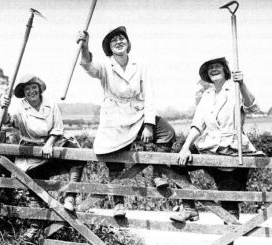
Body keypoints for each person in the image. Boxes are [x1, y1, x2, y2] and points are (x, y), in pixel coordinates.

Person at [77, 26, 176, 218]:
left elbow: (150, 95)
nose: (119, 42)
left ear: (128, 43)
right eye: (114, 40)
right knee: (114, 158)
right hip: (114, 119)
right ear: (109, 48)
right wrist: (84, 45)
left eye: (122, 38)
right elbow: (89, 66)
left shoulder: (140, 65)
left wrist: (149, 124)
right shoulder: (105, 66)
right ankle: (119, 204)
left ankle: (158, 174)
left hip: (137, 114)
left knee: (167, 133)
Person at [169, 57, 261, 225]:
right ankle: (189, 207)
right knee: (176, 164)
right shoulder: (207, 94)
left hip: (234, 148)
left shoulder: (235, 88)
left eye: (217, 66)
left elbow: (251, 106)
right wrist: (185, 148)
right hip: (209, 145)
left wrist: (242, 84)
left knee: (229, 201)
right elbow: (197, 124)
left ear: (225, 70)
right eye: (210, 68)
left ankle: (229, 238)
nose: (214, 69)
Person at [0, 74, 85, 243]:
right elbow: (7, 121)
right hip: (32, 149)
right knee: (34, 182)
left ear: (39, 89)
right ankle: (35, 227)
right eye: (27, 89)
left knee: (78, 157)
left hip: (54, 142)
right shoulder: (20, 108)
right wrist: (3, 107)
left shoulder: (50, 104)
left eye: (34, 87)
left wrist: (50, 144)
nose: (31, 91)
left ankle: (70, 197)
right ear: (23, 93)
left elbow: (58, 127)